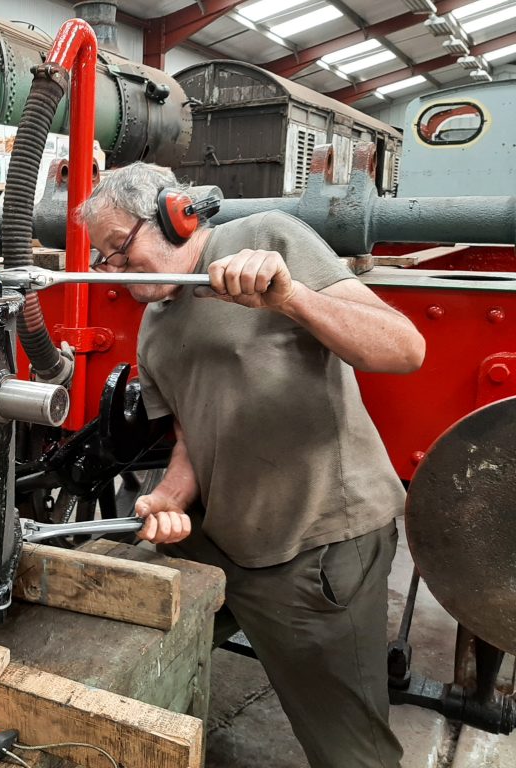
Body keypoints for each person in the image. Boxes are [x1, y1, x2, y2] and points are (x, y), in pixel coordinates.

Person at [78, 162, 425, 768]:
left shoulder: (269, 239)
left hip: (319, 545)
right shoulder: (154, 328)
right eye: (104, 259)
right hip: (230, 542)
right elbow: (193, 436)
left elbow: (404, 348)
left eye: (118, 249)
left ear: (173, 214)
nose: (113, 272)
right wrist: (168, 498)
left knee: (352, 753)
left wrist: (293, 298)